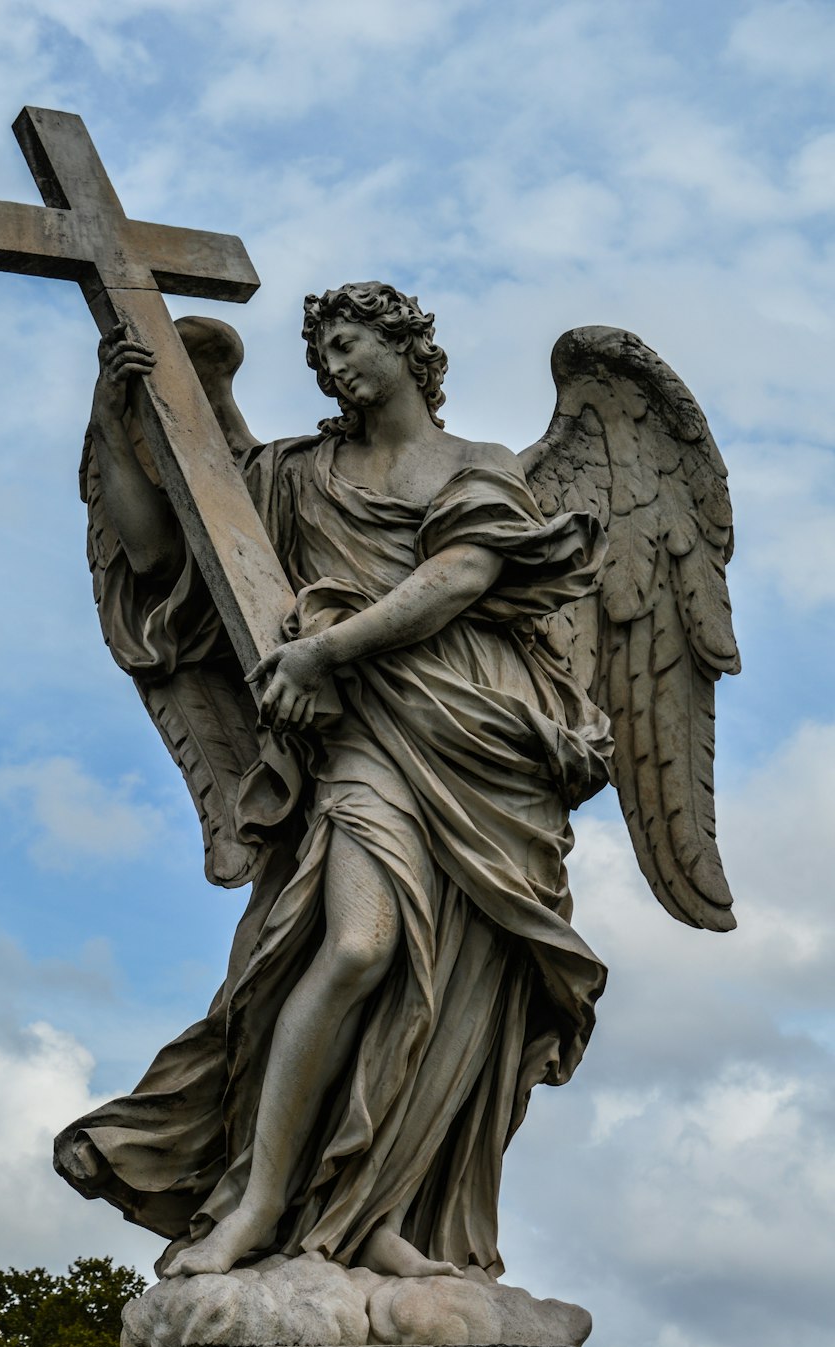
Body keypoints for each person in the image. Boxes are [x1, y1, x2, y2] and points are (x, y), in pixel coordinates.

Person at [55, 282, 612, 1281]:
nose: (334, 368)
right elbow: (156, 546)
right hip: (363, 734)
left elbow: (461, 577)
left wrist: (323, 652)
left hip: (480, 738)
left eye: (350, 345)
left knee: (447, 993)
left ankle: (379, 1212)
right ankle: (259, 1203)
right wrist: (114, 407)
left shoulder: (474, 465)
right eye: (321, 357)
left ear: (406, 347)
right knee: (359, 945)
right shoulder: (293, 475)